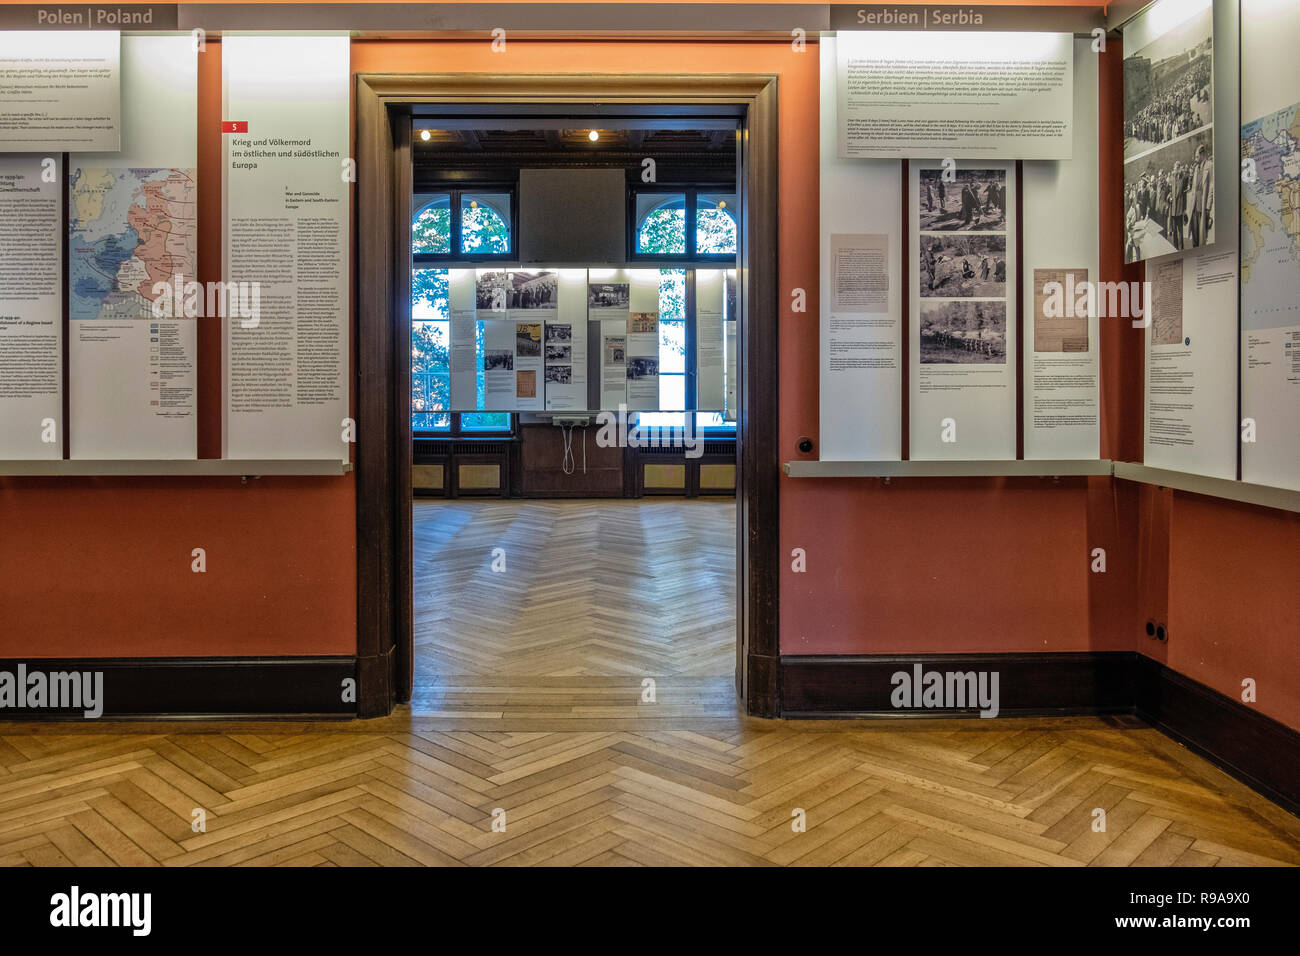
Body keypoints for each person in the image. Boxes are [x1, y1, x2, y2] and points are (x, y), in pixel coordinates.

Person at [1188, 144, 1214, 249]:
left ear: (1203, 154)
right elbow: (1193, 188)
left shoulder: (1210, 165)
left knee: (1202, 236)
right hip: (1195, 207)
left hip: (1203, 206)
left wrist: (1208, 206)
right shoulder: (1196, 169)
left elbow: (1212, 186)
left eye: (1197, 157)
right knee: (1195, 235)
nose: (1195, 159)